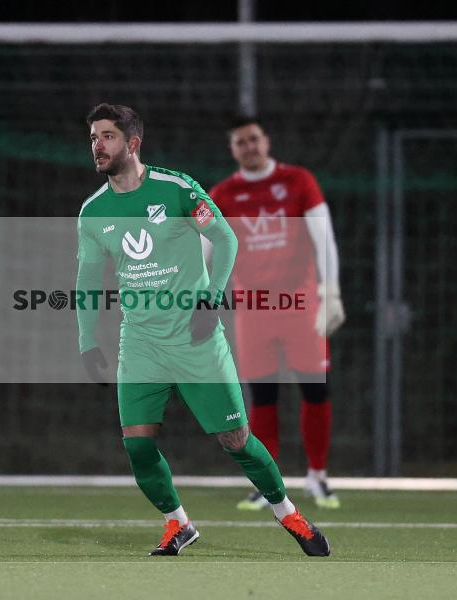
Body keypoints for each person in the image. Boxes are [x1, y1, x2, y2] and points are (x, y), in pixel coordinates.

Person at [76, 103, 330, 557]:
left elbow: (226, 238)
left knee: (236, 441)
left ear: (133, 143)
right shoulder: (93, 212)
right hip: (141, 345)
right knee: (137, 447)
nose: (97, 145)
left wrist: (210, 297)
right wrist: (86, 341)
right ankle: (178, 523)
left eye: (108, 136)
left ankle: (288, 512)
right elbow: (87, 281)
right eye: (93, 136)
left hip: (195, 339)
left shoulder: (175, 189)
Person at [209, 116, 346, 511]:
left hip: (300, 305)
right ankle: (266, 482)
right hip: (253, 310)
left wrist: (330, 291)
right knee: (261, 396)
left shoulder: (299, 180)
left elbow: (324, 236)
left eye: (253, 138)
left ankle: (317, 476)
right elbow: (206, 250)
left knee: (315, 389)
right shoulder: (224, 194)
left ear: (266, 141)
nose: (248, 146)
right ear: (232, 150)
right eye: (240, 142)